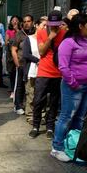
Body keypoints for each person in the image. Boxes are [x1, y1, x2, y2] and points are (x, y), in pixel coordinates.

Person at [50, 13, 87, 162]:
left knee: (80, 118)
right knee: (66, 116)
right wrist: (74, 83)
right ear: (80, 26)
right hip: (74, 87)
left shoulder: (86, 42)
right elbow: (63, 66)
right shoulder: (68, 43)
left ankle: (72, 145)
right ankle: (57, 148)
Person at [29, 10, 67, 139]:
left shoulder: (65, 33)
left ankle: (50, 128)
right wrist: (51, 37)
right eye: (52, 24)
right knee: (39, 100)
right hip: (44, 72)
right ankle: (36, 126)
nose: (55, 26)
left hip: (58, 73)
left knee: (54, 102)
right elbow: (41, 52)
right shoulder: (41, 32)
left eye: (57, 24)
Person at [22, 17, 45, 122]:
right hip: (32, 70)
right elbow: (26, 54)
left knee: (42, 94)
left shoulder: (47, 39)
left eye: (47, 26)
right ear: (36, 25)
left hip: (44, 71)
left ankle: (42, 115)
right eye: (43, 25)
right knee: (31, 93)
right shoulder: (29, 38)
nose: (45, 27)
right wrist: (37, 60)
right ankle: (30, 115)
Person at [11, 14, 35, 115]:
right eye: (24, 22)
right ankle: (18, 105)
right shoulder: (19, 34)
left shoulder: (36, 33)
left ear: (32, 22)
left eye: (28, 21)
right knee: (19, 85)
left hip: (33, 65)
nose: (26, 23)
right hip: (21, 64)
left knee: (30, 86)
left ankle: (29, 105)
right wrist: (17, 64)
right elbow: (13, 50)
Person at [5, 15, 21, 98]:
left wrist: (17, 30)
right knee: (12, 73)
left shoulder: (20, 31)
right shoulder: (9, 31)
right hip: (10, 55)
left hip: (19, 55)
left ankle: (18, 90)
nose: (14, 21)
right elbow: (6, 42)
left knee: (18, 73)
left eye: (16, 20)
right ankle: (12, 90)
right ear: (11, 22)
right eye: (13, 20)